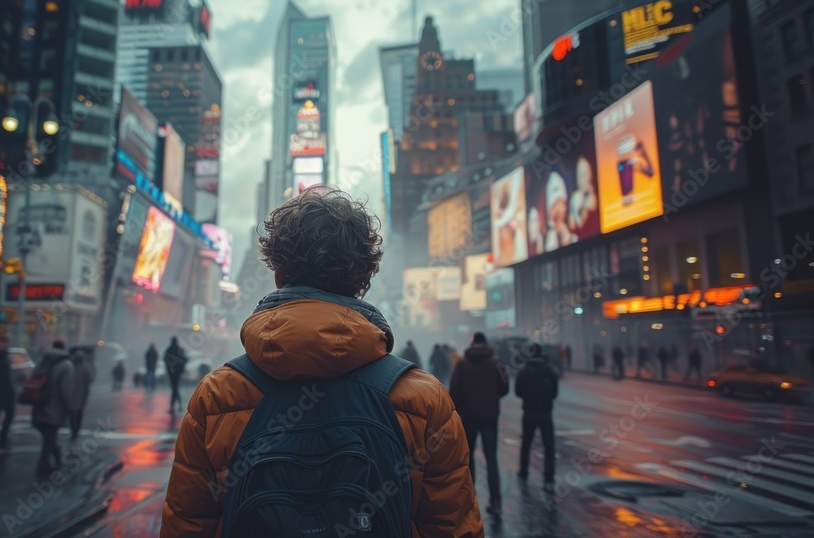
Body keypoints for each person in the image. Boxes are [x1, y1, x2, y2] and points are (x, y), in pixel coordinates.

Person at [160, 189, 484, 537]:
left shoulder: (217, 396)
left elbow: (186, 527)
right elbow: (454, 529)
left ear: (278, 275)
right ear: (362, 282)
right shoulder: (424, 399)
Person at [449, 331, 508, 516]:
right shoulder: (497, 363)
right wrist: (491, 398)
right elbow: (505, 387)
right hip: (490, 416)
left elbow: (454, 391)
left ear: (472, 343)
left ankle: (469, 502)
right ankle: (496, 501)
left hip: (468, 417)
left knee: (468, 459)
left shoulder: (462, 364)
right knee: (492, 459)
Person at [515, 343, 559, 493]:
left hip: (529, 412)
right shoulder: (549, 370)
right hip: (546, 412)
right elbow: (554, 393)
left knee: (526, 443)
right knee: (549, 446)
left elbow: (518, 391)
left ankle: (523, 472)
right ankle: (548, 478)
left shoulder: (524, 370)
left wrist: (529, 397)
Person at [32, 340, 75, 476]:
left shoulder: (43, 361)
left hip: (39, 405)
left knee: (48, 437)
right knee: (49, 437)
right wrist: (70, 408)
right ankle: (43, 465)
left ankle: (55, 456)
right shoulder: (66, 365)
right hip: (54, 408)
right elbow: (66, 391)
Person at [70, 347, 94, 442]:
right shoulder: (85, 367)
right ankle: (76, 431)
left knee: (73, 414)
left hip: (72, 393)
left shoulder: (71, 365)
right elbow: (90, 379)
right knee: (78, 414)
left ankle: (74, 431)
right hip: (82, 394)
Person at [164, 337, 187, 413]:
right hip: (177, 372)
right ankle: (178, 405)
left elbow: (166, 360)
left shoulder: (169, 350)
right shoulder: (179, 350)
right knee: (175, 388)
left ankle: (173, 406)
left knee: (174, 388)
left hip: (171, 373)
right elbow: (184, 359)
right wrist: (181, 369)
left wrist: (169, 369)